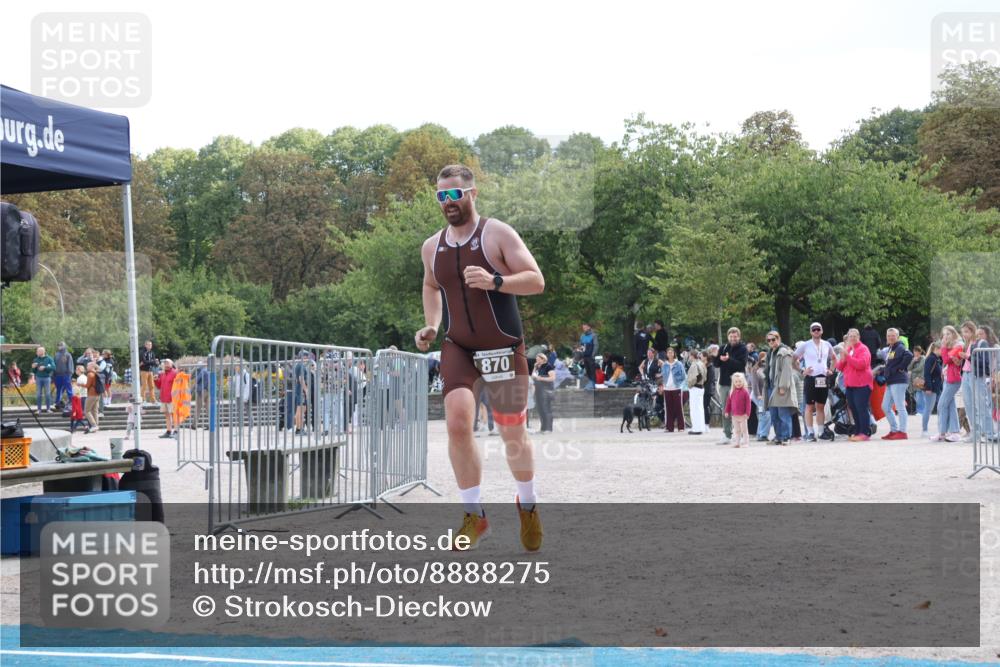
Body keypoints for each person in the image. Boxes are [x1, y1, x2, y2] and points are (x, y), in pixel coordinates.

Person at [414, 163, 545, 551]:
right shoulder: (431, 246)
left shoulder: (497, 233)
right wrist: (431, 325)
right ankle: (474, 515)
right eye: (441, 195)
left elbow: (536, 280)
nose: (447, 202)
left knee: (512, 432)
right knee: (456, 423)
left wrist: (496, 281)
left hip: (503, 345)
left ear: (471, 194)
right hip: (459, 346)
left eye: (454, 194)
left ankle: (528, 504)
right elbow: (430, 284)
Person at [793, 323, 836, 442]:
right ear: (811, 332)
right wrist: (802, 370)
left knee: (821, 406)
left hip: (822, 377)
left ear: (822, 331)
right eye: (814, 330)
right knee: (809, 406)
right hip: (811, 378)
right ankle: (810, 433)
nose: (816, 331)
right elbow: (793, 359)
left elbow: (834, 359)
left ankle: (821, 432)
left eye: (818, 329)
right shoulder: (806, 345)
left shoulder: (827, 344)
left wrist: (831, 370)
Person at [836, 328, 874, 442]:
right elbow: (839, 367)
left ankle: (865, 432)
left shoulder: (863, 349)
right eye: (850, 336)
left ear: (859, 337)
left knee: (861, 408)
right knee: (853, 408)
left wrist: (848, 356)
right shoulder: (849, 349)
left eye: (854, 336)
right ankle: (858, 431)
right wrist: (842, 358)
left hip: (862, 384)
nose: (852, 338)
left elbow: (861, 364)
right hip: (850, 385)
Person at [713, 327, 748, 445]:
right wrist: (715, 356)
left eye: (735, 336)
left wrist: (728, 360)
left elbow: (741, 365)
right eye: (731, 336)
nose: (733, 338)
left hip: (738, 385)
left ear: (739, 337)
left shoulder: (743, 349)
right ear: (728, 337)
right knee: (725, 409)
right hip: (724, 383)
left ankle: (743, 434)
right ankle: (727, 434)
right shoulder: (723, 347)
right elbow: (716, 364)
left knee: (740, 409)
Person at [763, 331, 797, 445]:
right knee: (774, 415)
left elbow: (787, 371)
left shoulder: (784, 352)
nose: (771, 342)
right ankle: (778, 436)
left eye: (774, 339)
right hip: (770, 386)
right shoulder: (770, 353)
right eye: (769, 340)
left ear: (779, 339)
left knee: (783, 414)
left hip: (780, 386)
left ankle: (786, 437)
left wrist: (783, 386)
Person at [880, 328, 913, 440]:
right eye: (889, 336)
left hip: (899, 380)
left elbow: (909, 355)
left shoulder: (900, 346)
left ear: (897, 337)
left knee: (900, 406)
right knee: (885, 406)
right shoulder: (891, 348)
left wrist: (900, 367)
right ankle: (894, 430)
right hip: (891, 381)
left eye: (893, 335)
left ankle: (902, 432)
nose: (890, 337)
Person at [934, 326, 964, 442]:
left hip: (954, 380)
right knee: (950, 406)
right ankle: (948, 432)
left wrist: (943, 346)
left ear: (953, 333)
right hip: (948, 378)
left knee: (941, 405)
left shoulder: (958, 345)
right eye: (944, 334)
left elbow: (946, 360)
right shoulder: (951, 345)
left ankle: (948, 432)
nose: (945, 336)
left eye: (948, 334)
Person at [971, 325, 998, 442]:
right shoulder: (978, 346)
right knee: (985, 405)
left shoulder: (994, 347)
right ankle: (989, 432)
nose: (979, 337)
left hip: (993, 378)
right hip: (985, 378)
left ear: (987, 334)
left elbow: (997, 364)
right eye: (977, 335)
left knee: (991, 405)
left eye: (981, 334)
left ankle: (992, 432)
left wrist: (994, 378)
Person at [958, 321, 978, 442]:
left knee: (975, 404)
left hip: (973, 374)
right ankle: (973, 431)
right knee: (968, 403)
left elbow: (976, 359)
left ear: (972, 331)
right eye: (963, 332)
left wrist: (966, 357)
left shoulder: (976, 343)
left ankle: (979, 432)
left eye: (966, 331)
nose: (964, 334)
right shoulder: (967, 343)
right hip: (966, 373)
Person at [660, 347, 686, 432]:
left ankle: (681, 427)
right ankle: (669, 427)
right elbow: (663, 376)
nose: (670, 354)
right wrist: (663, 386)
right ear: (667, 354)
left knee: (678, 408)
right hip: (667, 388)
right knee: (668, 408)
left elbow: (683, 376)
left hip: (676, 388)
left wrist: (680, 385)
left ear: (674, 354)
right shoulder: (664, 365)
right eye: (668, 353)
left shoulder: (678, 364)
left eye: (671, 352)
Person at [920, 342, 942, 438]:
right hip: (931, 387)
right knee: (928, 409)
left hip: (936, 387)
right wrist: (928, 387)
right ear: (936, 349)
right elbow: (927, 374)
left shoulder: (936, 359)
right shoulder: (931, 359)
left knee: (935, 408)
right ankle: (924, 430)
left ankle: (940, 428)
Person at [725, 372, 753, 448]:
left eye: (740, 381)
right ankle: (737, 443)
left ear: (743, 382)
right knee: (737, 430)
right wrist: (727, 411)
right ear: (733, 383)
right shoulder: (732, 392)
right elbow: (728, 403)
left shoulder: (745, 392)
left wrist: (747, 413)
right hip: (734, 415)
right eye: (736, 382)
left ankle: (746, 442)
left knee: (744, 430)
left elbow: (748, 404)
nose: (738, 383)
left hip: (743, 415)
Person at [531, 352, 556, 434]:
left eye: (538, 359)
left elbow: (552, 378)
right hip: (539, 390)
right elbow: (533, 376)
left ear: (543, 359)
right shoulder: (538, 367)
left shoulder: (548, 366)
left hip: (546, 391)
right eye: (536, 360)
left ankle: (548, 429)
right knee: (540, 410)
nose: (537, 361)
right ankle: (543, 428)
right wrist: (535, 367)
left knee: (546, 409)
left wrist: (541, 378)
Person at [154, 359, 179, 438]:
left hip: (172, 398)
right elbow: (159, 386)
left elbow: (179, 385)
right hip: (164, 398)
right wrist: (156, 380)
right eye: (165, 363)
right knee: (167, 415)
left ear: (172, 364)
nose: (166, 365)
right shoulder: (162, 374)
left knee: (173, 415)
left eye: (167, 363)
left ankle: (176, 431)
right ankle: (168, 431)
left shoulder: (175, 373)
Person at [750, 350, 772, 441]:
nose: (764, 361)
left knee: (764, 415)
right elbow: (754, 384)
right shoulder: (755, 369)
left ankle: (761, 434)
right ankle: (762, 434)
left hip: (766, 394)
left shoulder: (769, 368)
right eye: (762, 360)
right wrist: (758, 395)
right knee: (764, 414)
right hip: (758, 395)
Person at [686, 349, 708, 435]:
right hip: (701, 387)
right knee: (700, 409)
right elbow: (704, 377)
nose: (689, 357)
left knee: (694, 409)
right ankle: (700, 427)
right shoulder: (702, 363)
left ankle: (696, 428)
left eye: (689, 355)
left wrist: (690, 384)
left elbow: (696, 377)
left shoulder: (695, 364)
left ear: (692, 356)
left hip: (695, 388)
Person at [30, 346, 56, 412]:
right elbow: (33, 371)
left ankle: (48, 409)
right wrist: (33, 367)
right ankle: (39, 409)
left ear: (42, 352)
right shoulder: (35, 360)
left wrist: (45, 367)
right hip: (38, 378)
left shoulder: (49, 358)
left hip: (47, 378)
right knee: (38, 394)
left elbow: (54, 367)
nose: (37, 352)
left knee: (47, 394)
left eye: (38, 351)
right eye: (37, 351)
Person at [53, 342, 74, 407]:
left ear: (64, 346)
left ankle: (71, 402)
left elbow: (70, 365)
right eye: (58, 345)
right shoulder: (56, 355)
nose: (59, 346)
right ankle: (57, 402)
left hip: (66, 375)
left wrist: (70, 374)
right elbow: (54, 365)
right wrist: (53, 374)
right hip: (58, 375)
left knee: (68, 389)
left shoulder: (68, 355)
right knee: (59, 389)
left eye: (61, 345)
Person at [578, 323, 598, 390]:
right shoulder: (582, 336)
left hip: (590, 356)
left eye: (585, 327)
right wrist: (581, 356)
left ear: (589, 327)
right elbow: (581, 346)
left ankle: (593, 385)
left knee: (592, 371)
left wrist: (593, 355)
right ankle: (589, 385)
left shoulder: (593, 335)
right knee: (587, 371)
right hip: (585, 356)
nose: (584, 329)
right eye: (583, 328)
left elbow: (596, 346)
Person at [84, 361, 102, 433]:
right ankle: (96, 426)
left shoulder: (90, 374)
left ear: (91, 366)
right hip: (97, 394)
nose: (86, 367)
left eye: (88, 365)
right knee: (95, 411)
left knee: (87, 411)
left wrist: (80, 384)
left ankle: (94, 425)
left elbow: (88, 385)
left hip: (91, 394)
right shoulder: (97, 373)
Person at [139, 340, 159, 405]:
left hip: (150, 371)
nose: (150, 346)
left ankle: (153, 400)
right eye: (148, 344)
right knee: (144, 385)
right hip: (144, 371)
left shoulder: (152, 353)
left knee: (152, 386)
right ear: (145, 345)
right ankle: (143, 400)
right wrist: (152, 361)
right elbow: (144, 361)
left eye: (151, 345)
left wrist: (154, 362)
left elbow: (154, 362)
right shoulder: (142, 352)